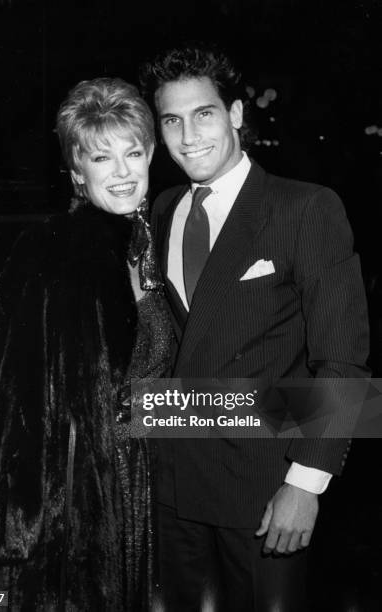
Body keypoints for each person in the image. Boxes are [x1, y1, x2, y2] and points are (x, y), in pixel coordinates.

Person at [140, 43, 369, 611]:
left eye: (204, 114)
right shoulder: (161, 209)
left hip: (263, 486)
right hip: (170, 485)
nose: (188, 135)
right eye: (172, 119)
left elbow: (341, 360)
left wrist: (306, 483)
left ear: (236, 115)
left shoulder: (306, 208)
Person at [0, 78, 172, 611]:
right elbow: (6, 394)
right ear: (77, 171)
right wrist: (17, 522)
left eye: (133, 152)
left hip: (148, 494)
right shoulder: (48, 250)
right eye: (103, 158)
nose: (123, 171)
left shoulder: (150, 243)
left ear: (151, 153)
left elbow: (158, 395)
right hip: (78, 503)